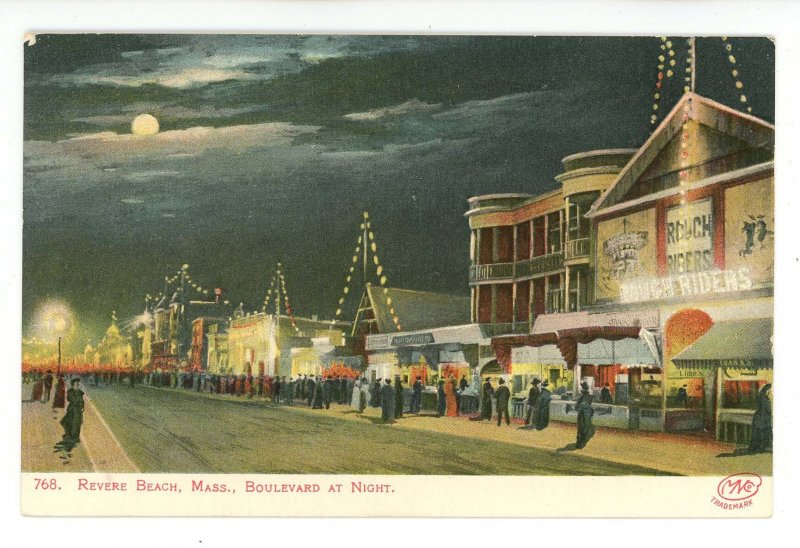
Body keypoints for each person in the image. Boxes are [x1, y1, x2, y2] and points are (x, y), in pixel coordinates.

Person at [59, 378, 85, 452]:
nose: (78, 385)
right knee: (67, 422)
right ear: (73, 384)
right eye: (76, 384)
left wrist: (82, 406)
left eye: (78, 384)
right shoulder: (70, 392)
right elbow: (70, 399)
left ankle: (74, 438)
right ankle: (69, 435)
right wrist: (78, 401)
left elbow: (82, 401)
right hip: (71, 409)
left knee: (76, 424)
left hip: (77, 411)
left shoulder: (80, 392)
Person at [749, 383, 772, 453]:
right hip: (762, 418)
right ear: (767, 390)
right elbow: (768, 409)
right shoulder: (764, 398)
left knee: (757, 434)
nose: (770, 392)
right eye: (769, 391)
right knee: (761, 434)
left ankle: (755, 448)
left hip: (759, 417)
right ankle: (759, 448)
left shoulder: (761, 396)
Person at [575, 381, 595, 449]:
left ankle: (579, 444)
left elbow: (577, 407)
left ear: (583, 389)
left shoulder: (582, 397)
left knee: (581, 429)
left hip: (582, 415)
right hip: (588, 415)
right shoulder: (590, 397)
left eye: (581, 388)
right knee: (586, 428)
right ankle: (582, 443)